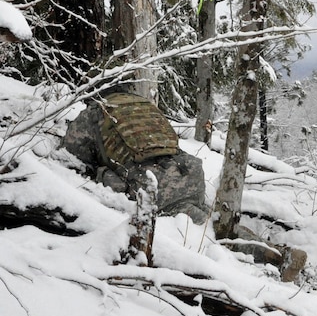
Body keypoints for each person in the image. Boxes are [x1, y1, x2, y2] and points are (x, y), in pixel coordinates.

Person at [60, 87, 209, 222]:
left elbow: (71, 153)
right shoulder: (144, 104)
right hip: (189, 176)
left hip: (148, 188)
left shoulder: (95, 111)